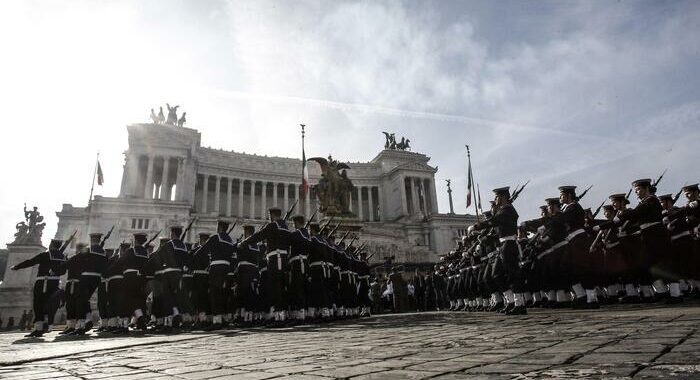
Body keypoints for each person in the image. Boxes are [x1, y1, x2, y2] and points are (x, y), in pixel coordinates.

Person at [474, 187, 525, 315]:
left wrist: (478, 226)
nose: (495, 199)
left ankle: (520, 304)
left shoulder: (507, 210)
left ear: (502, 197)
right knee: (496, 274)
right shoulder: (503, 210)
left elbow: (494, 220)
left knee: (513, 274)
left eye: (497, 197)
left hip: (509, 244)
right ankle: (511, 302)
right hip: (503, 246)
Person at [241, 208, 292, 325]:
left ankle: (279, 317)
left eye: (269, 216)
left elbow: (259, 235)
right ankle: (281, 315)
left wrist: (244, 242)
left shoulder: (273, 226)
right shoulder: (286, 228)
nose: (269, 218)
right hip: (283, 259)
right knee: (281, 287)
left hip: (275, 259)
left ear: (272, 215)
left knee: (276, 287)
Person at [10, 239, 67, 337]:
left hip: (42, 282)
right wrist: (55, 272)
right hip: (55, 283)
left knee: (38, 304)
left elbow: (31, 262)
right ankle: (45, 323)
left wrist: (17, 267)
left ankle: (38, 328)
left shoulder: (45, 255)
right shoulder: (63, 257)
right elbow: (63, 271)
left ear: (51, 245)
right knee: (48, 304)